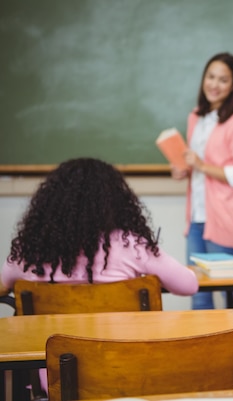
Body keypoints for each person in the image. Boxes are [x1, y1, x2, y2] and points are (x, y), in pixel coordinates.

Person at [1, 157, 199, 395]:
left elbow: (3, 283)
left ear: (50, 202)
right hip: (128, 371)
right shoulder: (133, 245)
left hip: (54, 378)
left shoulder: (29, 251)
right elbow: (189, 285)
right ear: (115, 201)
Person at [170, 52, 233, 310]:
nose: (214, 85)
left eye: (223, 80)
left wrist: (202, 166)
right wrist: (184, 169)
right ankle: (204, 351)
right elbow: (196, 163)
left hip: (227, 219)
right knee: (197, 291)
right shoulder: (195, 117)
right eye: (210, 77)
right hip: (197, 217)